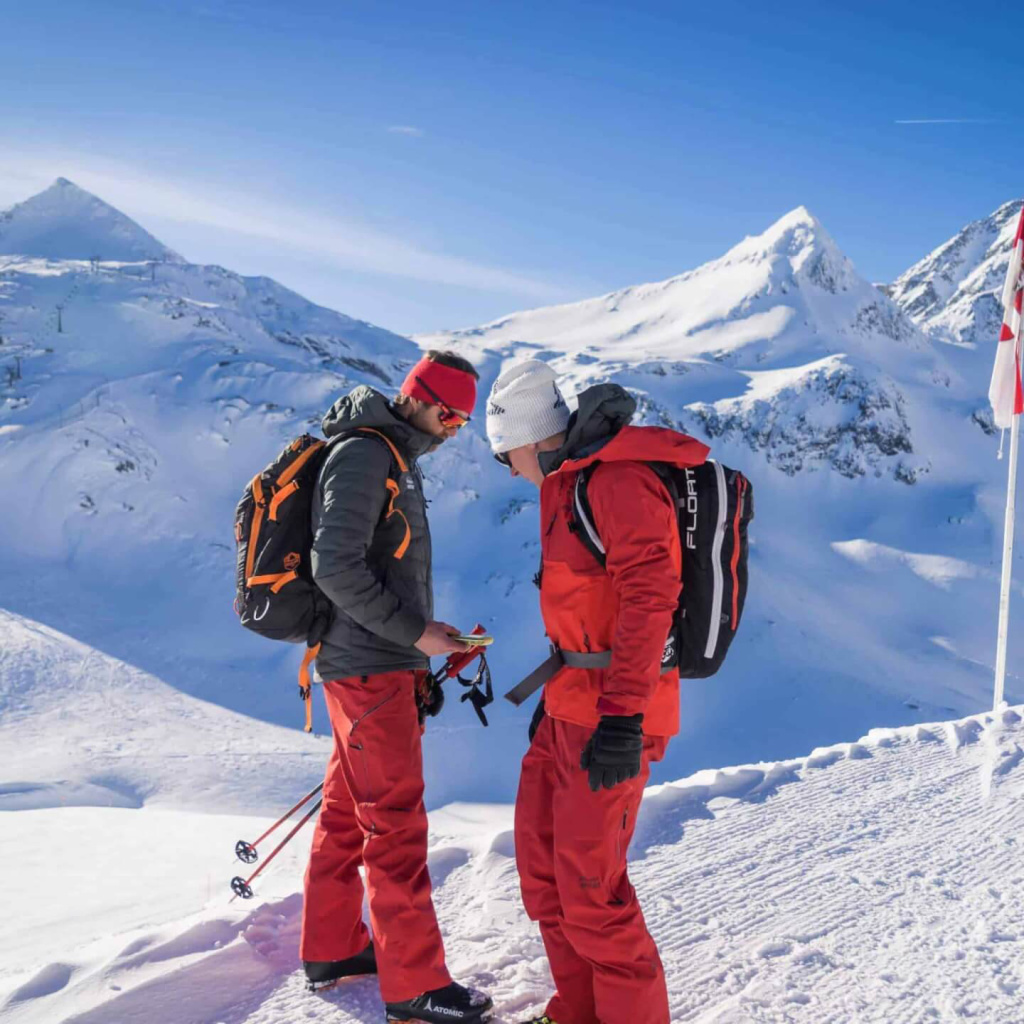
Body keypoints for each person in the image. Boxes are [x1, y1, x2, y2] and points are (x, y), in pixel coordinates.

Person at [486, 360, 709, 1024]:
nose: (506, 470)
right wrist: (556, 702)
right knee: (543, 876)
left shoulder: (618, 481)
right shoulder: (567, 483)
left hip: (615, 713)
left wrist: (622, 717)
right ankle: (578, 1012)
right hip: (569, 707)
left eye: (506, 454)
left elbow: (650, 597)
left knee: (592, 892)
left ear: (532, 439)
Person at [301, 350, 494, 1024]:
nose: (455, 427)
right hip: (369, 669)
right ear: (417, 395)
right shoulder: (365, 454)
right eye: (449, 411)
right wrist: (413, 640)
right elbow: (335, 568)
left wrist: (421, 649)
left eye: (466, 418)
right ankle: (414, 987)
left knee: (344, 813)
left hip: (376, 665)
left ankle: (331, 948)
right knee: (396, 825)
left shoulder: (391, 455)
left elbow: (381, 572)